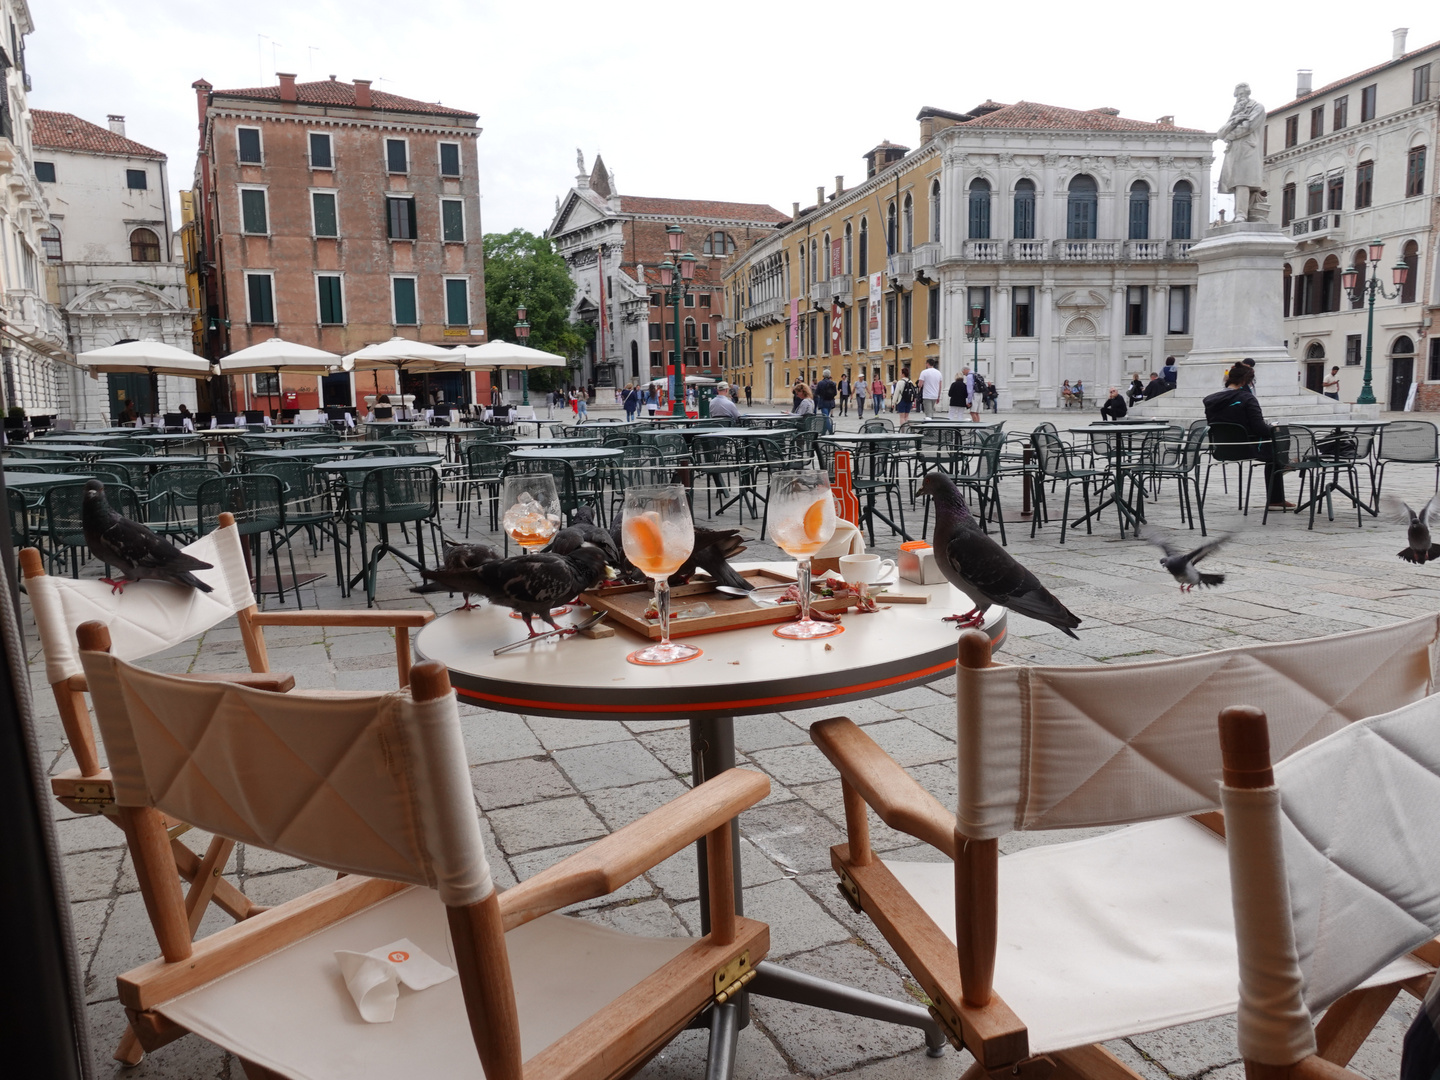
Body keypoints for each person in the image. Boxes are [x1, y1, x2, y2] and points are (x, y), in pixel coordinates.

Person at [1204, 363, 1290, 509]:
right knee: (1277, 443)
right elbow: (1259, 428)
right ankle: (1276, 496)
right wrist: (1273, 428)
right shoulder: (1247, 399)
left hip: (1221, 448)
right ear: (1245, 381)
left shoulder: (1210, 400)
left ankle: (1283, 464)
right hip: (1246, 448)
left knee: (1273, 447)